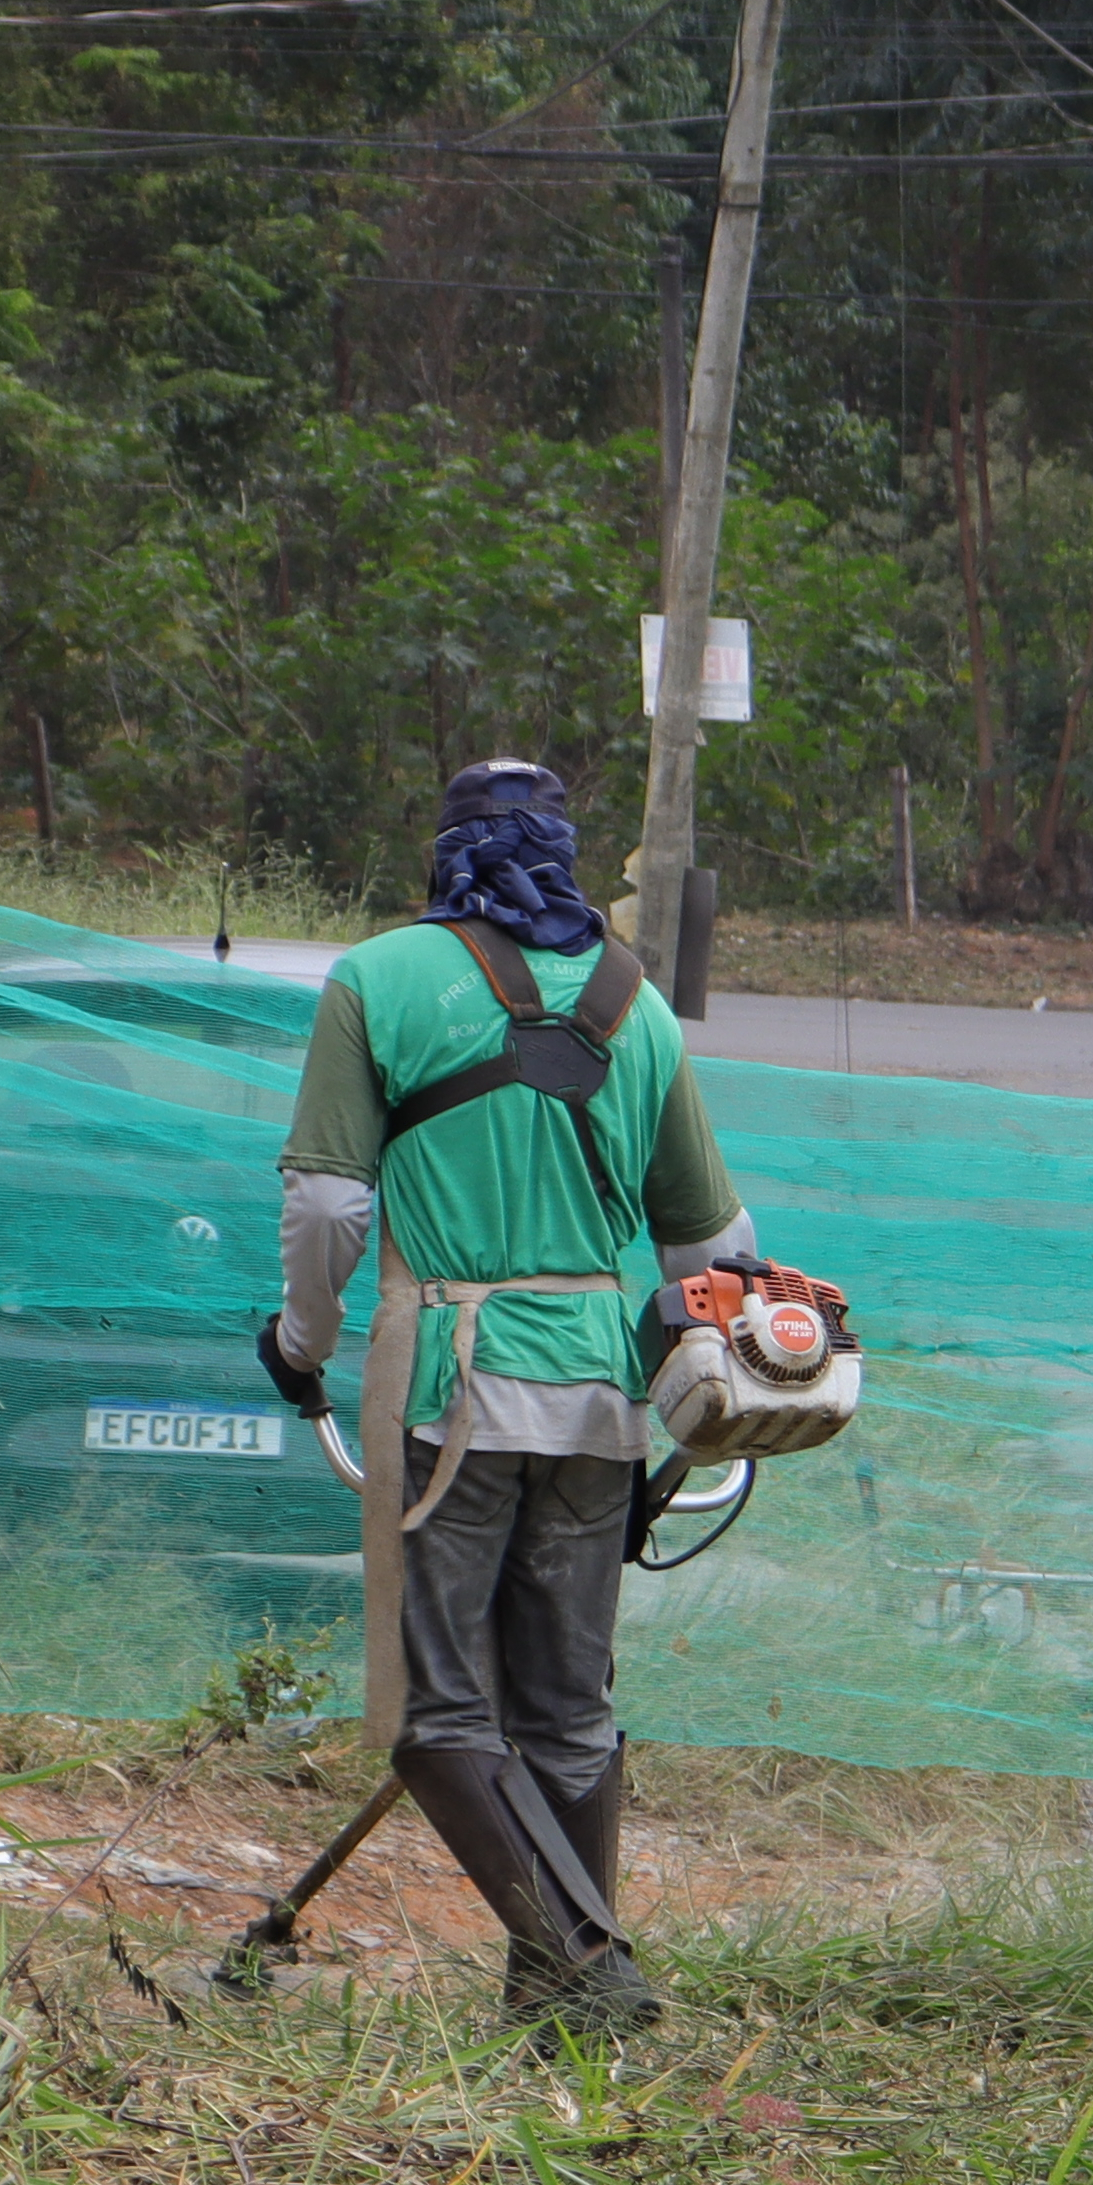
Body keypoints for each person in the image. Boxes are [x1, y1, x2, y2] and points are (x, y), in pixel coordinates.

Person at [256, 760, 768, 2036]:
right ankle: (556, 2024)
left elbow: (328, 1206)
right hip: (600, 1403)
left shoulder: (378, 979)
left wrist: (300, 1343)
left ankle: (589, 1968)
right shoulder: (636, 1004)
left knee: (434, 1719)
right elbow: (714, 1249)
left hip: (454, 1392)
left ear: (445, 856)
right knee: (566, 1714)